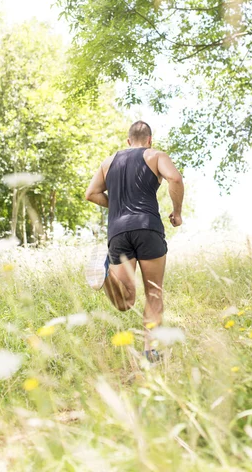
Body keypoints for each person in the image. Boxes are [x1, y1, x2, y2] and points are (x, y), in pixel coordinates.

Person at [85, 120, 184, 360]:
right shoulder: (156, 155)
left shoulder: (108, 162)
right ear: (150, 139)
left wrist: (117, 205)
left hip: (118, 231)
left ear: (128, 141)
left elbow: (91, 194)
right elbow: (175, 179)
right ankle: (151, 352)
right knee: (153, 293)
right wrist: (177, 212)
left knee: (125, 301)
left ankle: (105, 274)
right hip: (148, 227)